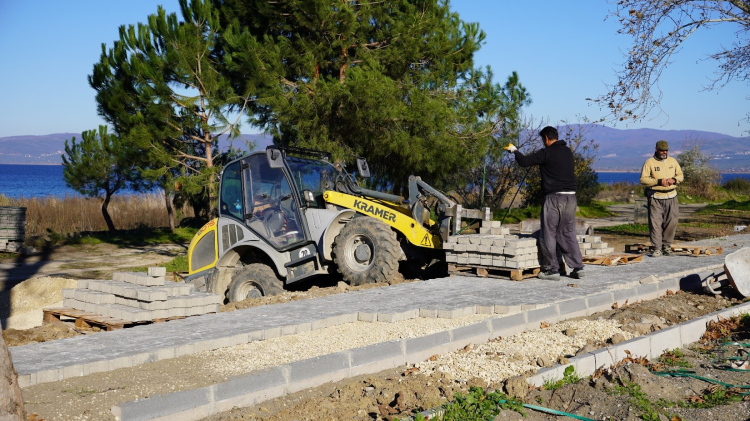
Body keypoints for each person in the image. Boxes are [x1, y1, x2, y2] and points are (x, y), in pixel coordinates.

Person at [504, 126, 584, 280]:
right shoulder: (567, 152)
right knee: (567, 232)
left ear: (546, 138)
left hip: (553, 198)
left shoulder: (546, 152)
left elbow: (524, 162)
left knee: (549, 233)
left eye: (542, 139)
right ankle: (578, 267)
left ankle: (551, 270)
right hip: (571, 197)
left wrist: (514, 150)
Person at [640, 140, 684, 257]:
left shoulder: (673, 161)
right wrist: (658, 181)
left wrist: (674, 180)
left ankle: (666, 246)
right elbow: (643, 179)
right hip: (656, 196)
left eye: (666, 150)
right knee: (655, 223)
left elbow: (680, 175)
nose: (664, 152)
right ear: (656, 149)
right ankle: (657, 248)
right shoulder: (649, 162)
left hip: (671, 196)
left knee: (672, 222)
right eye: (662, 150)